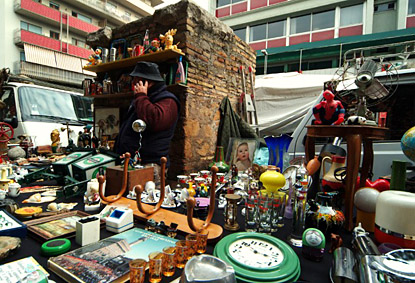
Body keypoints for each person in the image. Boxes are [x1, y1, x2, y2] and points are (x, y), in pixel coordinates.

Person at [114, 61, 180, 185]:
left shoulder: (167, 100)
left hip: (151, 165)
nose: (133, 83)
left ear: (146, 82)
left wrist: (141, 96)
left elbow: (154, 120)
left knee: (147, 201)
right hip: (134, 163)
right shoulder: (142, 99)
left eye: (136, 80)